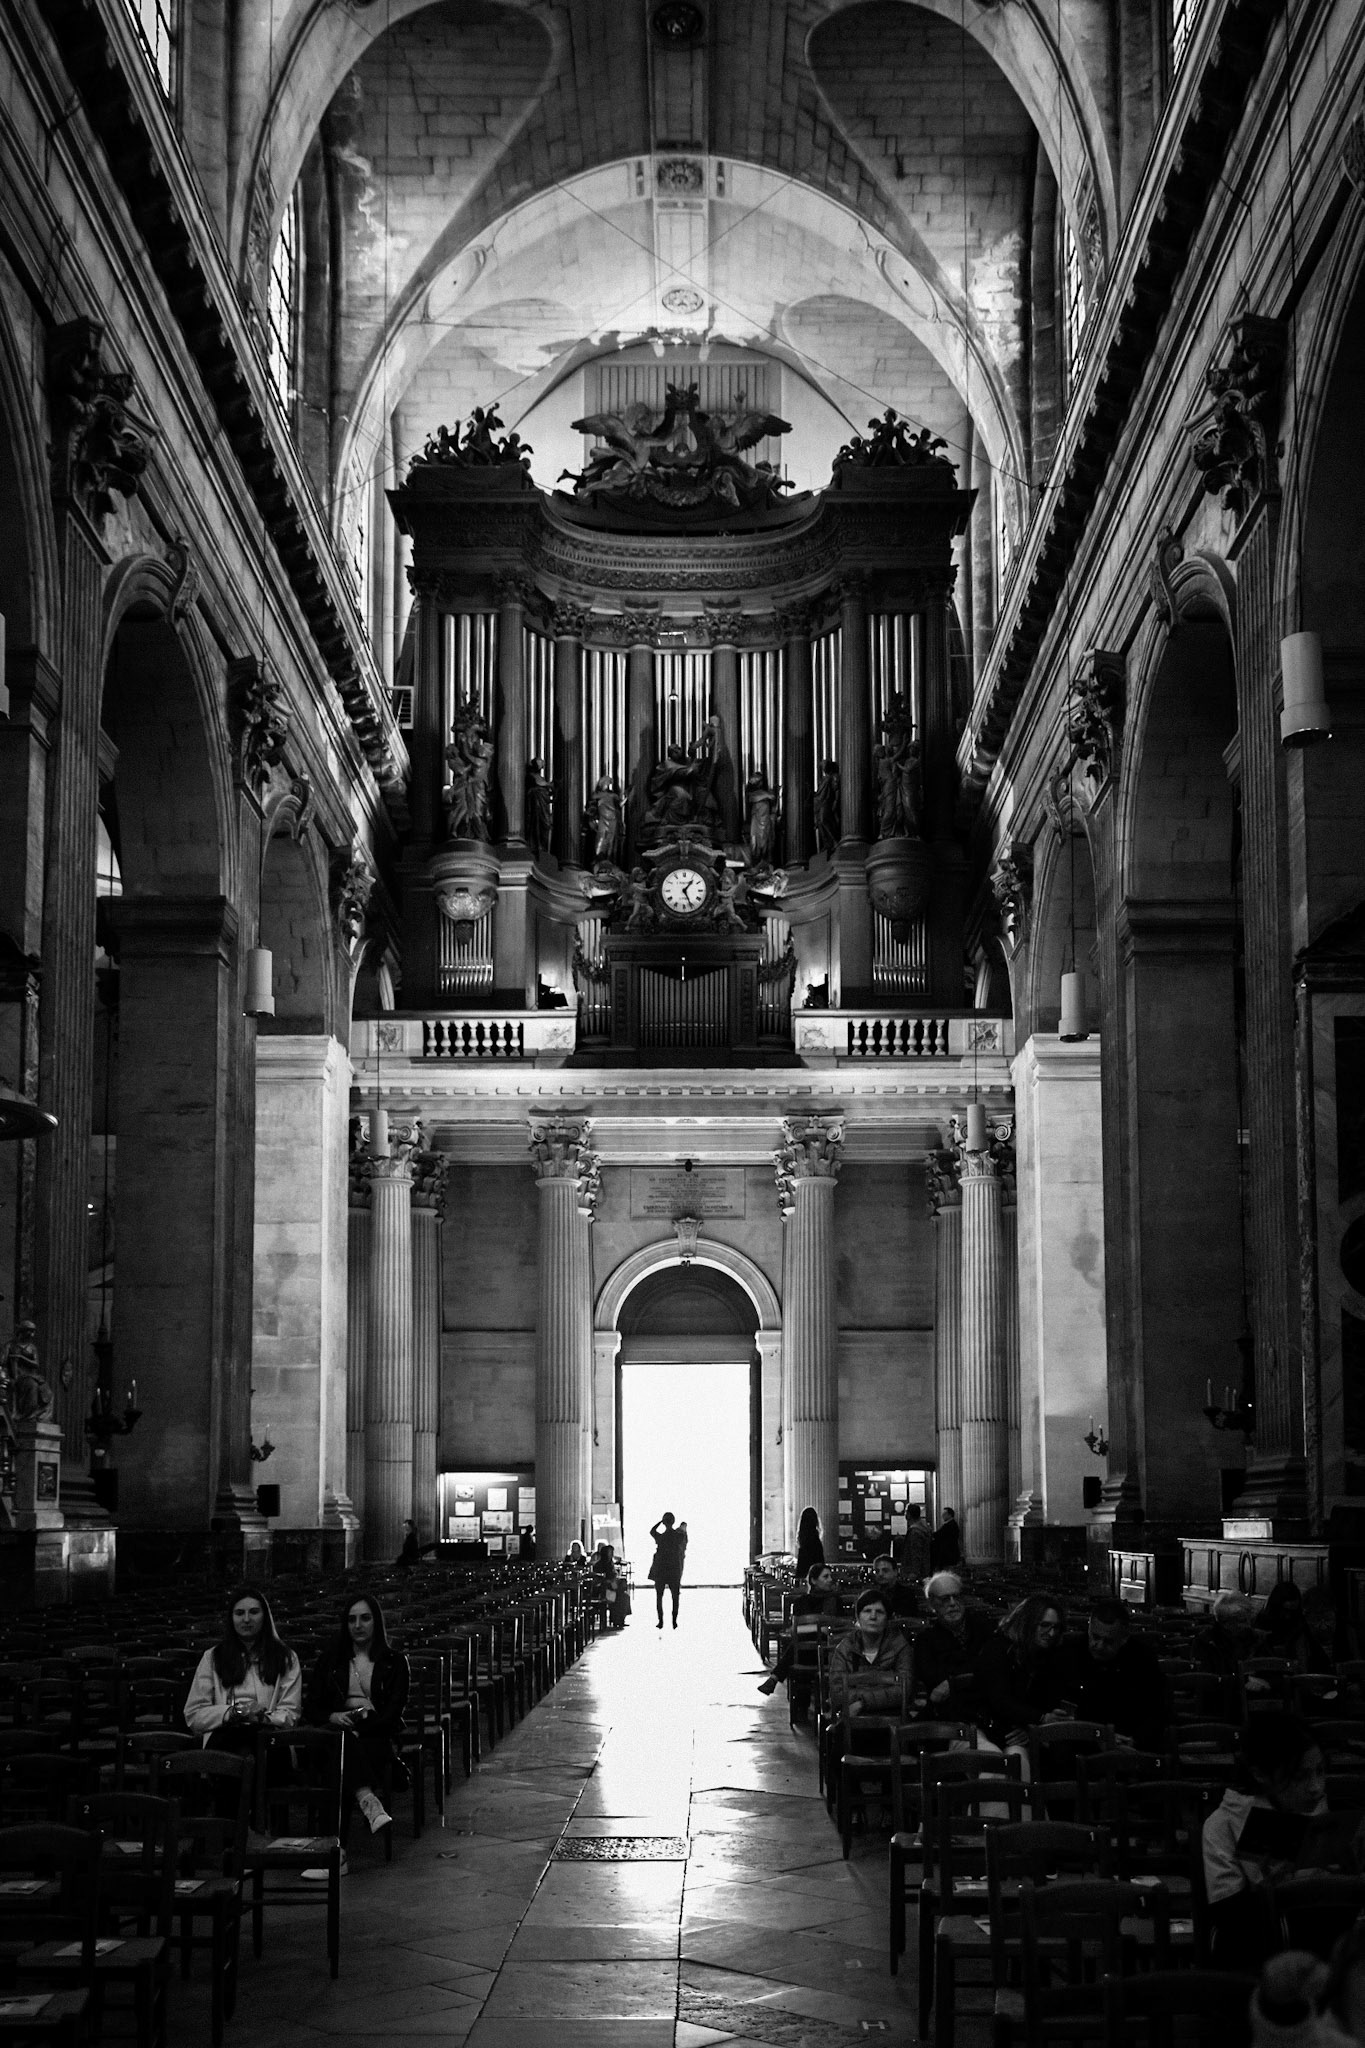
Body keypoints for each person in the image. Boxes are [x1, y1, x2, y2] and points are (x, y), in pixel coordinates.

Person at [1203, 1713, 1329, 1972]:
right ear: (1261, 1774)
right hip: (1260, 1959)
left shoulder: (1320, 1813)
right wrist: (1270, 1890)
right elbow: (1228, 1918)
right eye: (1300, 1776)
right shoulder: (1222, 1824)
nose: (1316, 1787)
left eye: (1320, 1771)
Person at [304, 1592, 410, 1836]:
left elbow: (393, 1712)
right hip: (336, 1731)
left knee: (338, 1764)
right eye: (352, 1620)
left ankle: (333, 1854)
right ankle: (368, 1802)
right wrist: (333, 1718)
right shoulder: (330, 1661)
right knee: (338, 1749)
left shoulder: (394, 1662)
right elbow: (311, 1707)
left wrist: (358, 1726)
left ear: (376, 1622)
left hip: (376, 1734)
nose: (358, 1625)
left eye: (365, 1618)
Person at [184, 1584, 302, 1751]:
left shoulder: (286, 1657)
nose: (246, 1619)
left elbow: (291, 1714)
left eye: (254, 1612)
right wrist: (233, 1713)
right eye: (239, 1613)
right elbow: (194, 1715)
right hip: (224, 1735)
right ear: (231, 1618)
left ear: (265, 1617)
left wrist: (260, 1718)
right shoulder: (212, 1657)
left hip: (270, 1737)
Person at [1059, 1596, 1168, 1751]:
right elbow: (1066, 1708)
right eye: (1095, 1637)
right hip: (1082, 1741)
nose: (1099, 1646)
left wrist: (1134, 1741)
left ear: (1124, 1639)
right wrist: (1098, 1737)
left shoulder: (1142, 1659)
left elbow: (1156, 1711)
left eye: (1108, 1641)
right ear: (1089, 1629)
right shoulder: (1072, 1651)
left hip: (1129, 1742)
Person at [972, 1593, 1073, 1756]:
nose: (1051, 1633)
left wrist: (1032, 1727)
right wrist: (1041, 1719)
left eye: (1056, 1627)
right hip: (985, 1726)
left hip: (1021, 1729)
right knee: (1005, 1761)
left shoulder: (1048, 1655)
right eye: (1045, 1625)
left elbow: (1047, 1698)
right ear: (1028, 1623)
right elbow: (999, 1701)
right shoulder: (998, 1649)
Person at [913, 1571, 996, 1717]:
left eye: (956, 1596)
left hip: (989, 1709)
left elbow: (995, 1670)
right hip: (950, 1715)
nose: (952, 1603)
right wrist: (971, 1676)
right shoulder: (925, 1640)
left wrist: (953, 1683)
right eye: (944, 1599)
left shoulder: (985, 1629)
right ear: (932, 1603)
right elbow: (934, 1679)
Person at [758, 1561, 840, 1708]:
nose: (830, 1580)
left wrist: (813, 1628)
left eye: (830, 1576)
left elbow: (836, 1628)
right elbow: (796, 1630)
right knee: (800, 1642)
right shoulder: (801, 1602)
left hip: (830, 1651)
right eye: (825, 1576)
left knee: (797, 1643)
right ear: (814, 1580)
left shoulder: (835, 1600)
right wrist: (819, 1628)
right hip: (807, 1652)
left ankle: (775, 1678)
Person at [828, 1587, 914, 1719]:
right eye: (867, 1611)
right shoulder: (845, 1648)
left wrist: (862, 1703)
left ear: (887, 1619)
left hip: (891, 1717)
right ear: (858, 1617)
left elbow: (904, 1691)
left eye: (879, 1612)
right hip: (852, 1717)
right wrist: (879, 1695)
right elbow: (837, 1692)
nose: (873, 1616)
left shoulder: (900, 1647)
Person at [1257, 1582, 1334, 1673]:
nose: (1288, 1616)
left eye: (1292, 1612)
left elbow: (1315, 1655)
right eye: (1285, 1611)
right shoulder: (1263, 1623)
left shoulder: (1299, 1622)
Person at [648, 1512, 688, 1629]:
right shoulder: (678, 1536)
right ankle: (674, 1621)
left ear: (664, 1522)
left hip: (660, 1569)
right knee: (675, 1596)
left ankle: (661, 1621)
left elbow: (652, 1531)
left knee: (659, 1596)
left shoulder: (660, 1537)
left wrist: (660, 1522)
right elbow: (683, 1535)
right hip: (674, 1569)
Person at [870, 1550, 919, 1623]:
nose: (880, 1574)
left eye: (885, 1570)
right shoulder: (871, 1595)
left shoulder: (907, 1594)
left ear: (895, 1572)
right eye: (877, 1571)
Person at [592, 1542, 630, 1631]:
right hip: (603, 1590)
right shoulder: (599, 1565)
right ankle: (617, 1620)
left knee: (624, 1597)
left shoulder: (610, 1564)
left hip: (611, 1589)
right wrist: (610, 1582)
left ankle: (619, 1619)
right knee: (619, 1597)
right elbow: (599, 1579)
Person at [897, 1504, 931, 1586]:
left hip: (915, 1573)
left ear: (908, 1514)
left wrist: (914, 1572)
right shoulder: (924, 1528)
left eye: (905, 1511)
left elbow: (916, 1553)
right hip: (925, 1569)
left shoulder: (914, 1531)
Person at [794, 1505, 825, 1582]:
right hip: (815, 1577)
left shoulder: (802, 1541)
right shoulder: (816, 1541)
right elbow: (820, 1562)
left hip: (803, 1575)